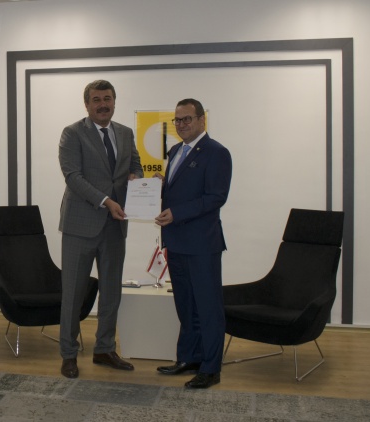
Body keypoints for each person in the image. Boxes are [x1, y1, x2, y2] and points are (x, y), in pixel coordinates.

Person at [58, 79, 143, 379]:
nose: (103, 104)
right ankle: (69, 354)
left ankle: (104, 349)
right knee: (73, 294)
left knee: (111, 292)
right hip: (80, 225)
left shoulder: (125, 132)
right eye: (97, 100)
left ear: (114, 101)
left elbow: (136, 165)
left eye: (107, 98)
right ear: (87, 104)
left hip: (115, 226)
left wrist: (136, 179)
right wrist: (106, 201)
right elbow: (73, 176)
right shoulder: (72, 133)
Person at [155, 98, 232, 389]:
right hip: (176, 243)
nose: (181, 124)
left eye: (187, 118)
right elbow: (179, 191)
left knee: (208, 308)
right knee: (186, 306)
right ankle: (189, 358)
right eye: (177, 120)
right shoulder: (176, 151)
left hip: (202, 245)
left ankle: (211, 368)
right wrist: (158, 187)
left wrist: (177, 213)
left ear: (202, 120)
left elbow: (215, 197)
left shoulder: (217, 152)